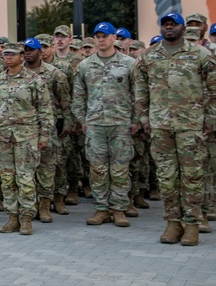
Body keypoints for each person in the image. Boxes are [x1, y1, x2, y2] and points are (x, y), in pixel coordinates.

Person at [134, 12, 216, 246]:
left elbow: (213, 89)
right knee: (167, 177)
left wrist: (210, 118)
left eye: (174, 24)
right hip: (161, 126)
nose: (169, 28)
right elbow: (140, 89)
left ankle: (192, 225)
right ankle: (172, 223)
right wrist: (143, 117)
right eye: (165, 24)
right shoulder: (150, 56)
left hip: (191, 125)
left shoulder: (200, 54)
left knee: (192, 176)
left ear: (183, 29)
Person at [72, 22, 138, 227]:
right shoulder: (85, 65)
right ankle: (101, 209)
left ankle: (118, 209)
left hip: (120, 124)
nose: (100, 39)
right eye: (97, 36)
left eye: (104, 36)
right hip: (95, 126)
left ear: (113, 38)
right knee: (97, 169)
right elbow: (78, 96)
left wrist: (136, 120)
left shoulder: (128, 64)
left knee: (119, 168)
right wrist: (82, 120)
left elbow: (138, 94)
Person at [0, 43, 52, 235]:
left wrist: (45, 135)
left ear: (22, 57)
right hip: (3, 136)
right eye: (5, 54)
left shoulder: (34, 80)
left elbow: (45, 110)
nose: (8, 57)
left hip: (26, 136)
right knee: (7, 179)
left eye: (12, 54)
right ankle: (12, 217)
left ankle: (26, 218)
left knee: (25, 178)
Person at [22, 37, 73, 223]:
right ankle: (31, 204)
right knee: (27, 168)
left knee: (48, 167)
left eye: (32, 49)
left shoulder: (54, 74)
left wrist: (66, 124)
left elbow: (66, 102)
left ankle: (46, 204)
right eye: (25, 50)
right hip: (25, 128)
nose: (28, 52)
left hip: (48, 126)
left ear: (40, 52)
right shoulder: (17, 73)